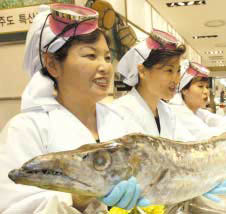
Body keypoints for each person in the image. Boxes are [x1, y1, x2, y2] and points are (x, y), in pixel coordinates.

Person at [0, 4, 146, 214]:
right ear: (53, 64)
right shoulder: (26, 129)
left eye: (107, 57)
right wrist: (77, 197)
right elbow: (13, 207)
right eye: (90, 55)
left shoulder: (120, 121)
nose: (105, 67)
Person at [111, 31, 226, 205]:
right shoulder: (118, 113)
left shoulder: (167, 113)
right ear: (142, 71)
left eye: (177, 71)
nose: (176, 79)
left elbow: (190, 150)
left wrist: (204, 178)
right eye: (169, 70)